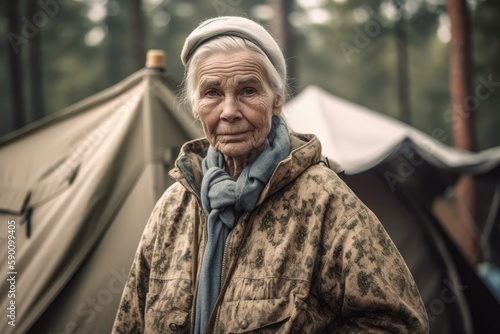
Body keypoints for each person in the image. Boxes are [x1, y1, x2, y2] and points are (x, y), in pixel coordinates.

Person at [112, 16, 429, 333]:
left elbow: (397, 324)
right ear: (195, 106)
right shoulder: (173, 209)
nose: (229, 111)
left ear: (277, 100)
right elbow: (130, 325)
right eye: (212, 93)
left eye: (248, 91)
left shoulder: (322, 200)